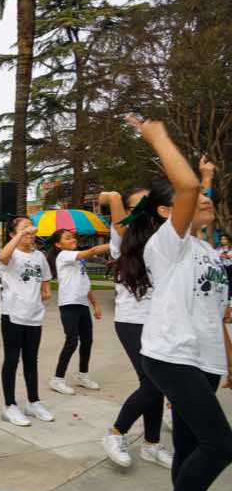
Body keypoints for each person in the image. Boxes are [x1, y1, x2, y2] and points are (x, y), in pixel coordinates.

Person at [122, 116, 232, 491]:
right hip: (172, 355)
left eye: (208, 196)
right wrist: (157, 137)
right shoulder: (168, 246)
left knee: (189, 446)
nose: (205, 199)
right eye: (197, 197)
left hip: (205, 360)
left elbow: (214, 312)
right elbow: (187, 188)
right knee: (221, 445)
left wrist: (229, 360)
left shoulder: (208, 252)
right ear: (168, 212)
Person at [99, 190, 172, 470]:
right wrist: (113, 197)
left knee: (156, 385)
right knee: (153, 383)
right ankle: (116, 433)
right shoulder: (123, 238)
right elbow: (114, 204)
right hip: (132, 320)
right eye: (139, 204)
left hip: (159, 320)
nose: (146, 207)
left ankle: (151, 445)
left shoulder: (163, 237)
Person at [0, 217, 54, 427]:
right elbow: (2, 256)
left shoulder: (39, 256)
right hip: (13, 314)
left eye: (31, 227)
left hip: (34, 315)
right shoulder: (11, 254)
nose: (31, 230)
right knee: (12, 360)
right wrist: (22, 234)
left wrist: (46, 292)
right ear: (13, 234)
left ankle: (33, 402)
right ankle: (9, 406)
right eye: (24, 228)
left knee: (31, 360)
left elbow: (45, 279)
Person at [46, 230, 109, 395]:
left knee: (87, 341)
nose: (73, 239)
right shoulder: (64, 255)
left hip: (82, 304)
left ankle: (82, 375)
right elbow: (92, 251)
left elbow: (84, 283)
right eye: (67, 238)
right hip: (69, 304)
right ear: (58, 244)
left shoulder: (77, 261)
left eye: (73, 237)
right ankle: (57, 379)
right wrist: (116, 244)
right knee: (72, 341)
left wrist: (95, 304)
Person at [217, 233, 232, 299]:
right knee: (223, 282)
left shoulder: (231, 248)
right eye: (221, 239)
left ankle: (230, 297)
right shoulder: (218, 249)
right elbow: (216, 256)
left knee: (230, 282)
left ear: (228, 240)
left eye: (224, 239)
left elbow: (229, 256)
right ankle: (223, 296)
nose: (223, 241)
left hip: (230, 267)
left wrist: (225, 256)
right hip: (222, 267)